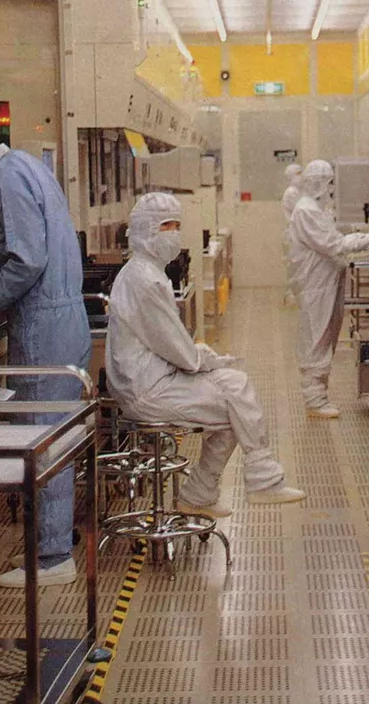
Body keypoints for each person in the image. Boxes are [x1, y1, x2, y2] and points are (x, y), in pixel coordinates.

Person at [0, 126, 91, 589]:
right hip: (64, 318)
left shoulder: (5, 179)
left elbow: (27, 261)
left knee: (41, 439)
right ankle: (53, 538)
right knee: (55, 436)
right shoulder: (28, 165)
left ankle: (51, 557)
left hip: (45, 327)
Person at [106, 193, 306, 517]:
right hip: (147, 390)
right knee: (236, 395)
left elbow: (169, 344)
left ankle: (200, 494)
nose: (174, 234)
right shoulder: (144, 279)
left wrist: (204, 359)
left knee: (235, 401)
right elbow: (181, 353)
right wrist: (206, 359)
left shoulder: (144, 272)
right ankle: (260, 481)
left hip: (151, 379)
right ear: (146, 229)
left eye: (177, 226)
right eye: (167, 226)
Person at [288, 160, 369, 418]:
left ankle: (319, 396)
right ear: (318, 182)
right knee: (317, 337)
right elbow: (332, 244)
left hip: (324, 281)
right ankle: (314, 400)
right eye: (329, 182)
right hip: (316, 284)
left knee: (325, 335)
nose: (332, 188)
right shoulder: (307, 210)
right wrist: (364, 239)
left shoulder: (315, 208)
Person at [280, 163, 303, 306]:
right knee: (295, 267)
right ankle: (292, 298)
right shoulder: (291, 192)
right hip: (293, 236)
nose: (301, 176)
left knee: (295, 267)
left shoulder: (296, 191)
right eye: (299, 174)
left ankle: (293, 297)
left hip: (294, 235)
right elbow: (301, 212)